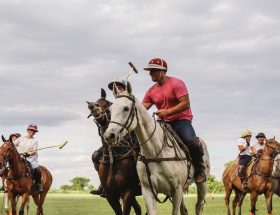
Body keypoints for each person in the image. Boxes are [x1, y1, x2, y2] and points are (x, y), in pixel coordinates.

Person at [142, 57, 206, 183]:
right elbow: (143, 107)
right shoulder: (151, 91)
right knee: (146, 143)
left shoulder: (176, 83)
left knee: (192, 142)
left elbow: (186, 104)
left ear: (163, 71)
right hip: (163, 123)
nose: (150, 74)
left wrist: (167, 112)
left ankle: (200, 169)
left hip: (181, 120)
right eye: (150, 71)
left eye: (154, 71)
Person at [14, 124, 43, 192]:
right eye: (31, 130)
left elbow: (34, 151)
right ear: (28, 130)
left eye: (34, 131)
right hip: (19, 158)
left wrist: (28, 154)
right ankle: (6, 183)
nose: (32, 131)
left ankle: (38, 184)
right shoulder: (21, 138)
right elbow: (13, 145)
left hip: (30, 158)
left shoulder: (35, 141)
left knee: (37, 169)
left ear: (35, 132)